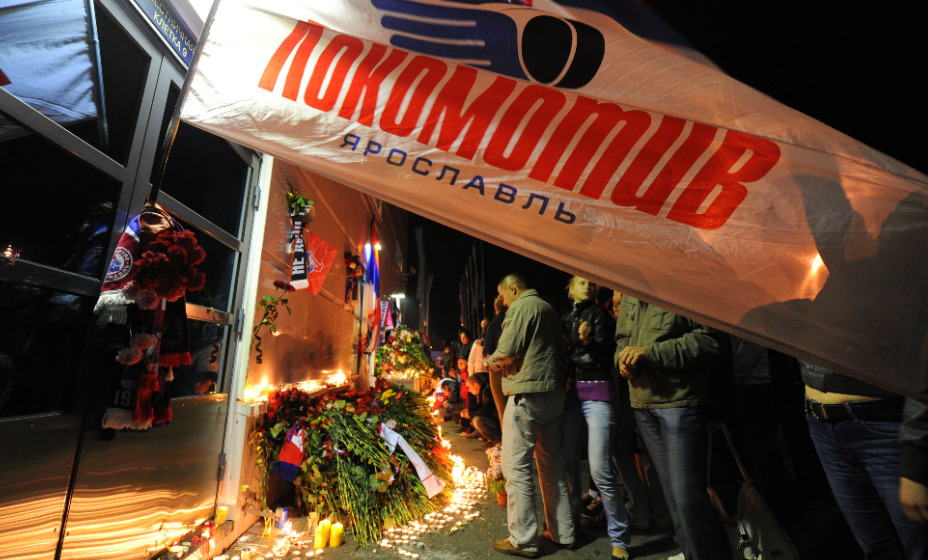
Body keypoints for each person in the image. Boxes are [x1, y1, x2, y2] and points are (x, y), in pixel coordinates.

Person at [615, 295, 731, 560]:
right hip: (643, 403)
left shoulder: (679, 285)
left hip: (679, 401)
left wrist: (650, 353)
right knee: (674, 501)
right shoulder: (630, 290)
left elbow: (712, 339)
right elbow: (621, 339)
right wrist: (620, 359)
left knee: (687, 499)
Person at [800, 358, 928, 558]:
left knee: (920, 546)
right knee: (877, 551)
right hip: (823, 423)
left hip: (888, 420)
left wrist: (916, 450)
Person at [486, 273, 574, 558]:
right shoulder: (547, 307)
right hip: (553, 393)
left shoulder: (522, 307)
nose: (503, 303)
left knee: (516, 466)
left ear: (512, 289)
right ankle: (563, 532)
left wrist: (489, 362)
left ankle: (523, 539)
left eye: (503, 297)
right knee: (552, 465)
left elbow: (507, 351)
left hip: (527, 393)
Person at [562, 277, 631, 559]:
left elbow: (600, 358)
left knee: (601, 470)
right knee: (567, 464)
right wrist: (576, 350)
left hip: (597, 394)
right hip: (571, 397)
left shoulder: (601, 316)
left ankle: (620, 539)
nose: (587, 286)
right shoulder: (567, 318)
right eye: (581, 282)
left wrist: (578, 349)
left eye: (591, 282)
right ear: (571, 289)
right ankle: (570, 523)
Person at [484, 295, 508, 422]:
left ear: (495, 308)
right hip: (515, 368)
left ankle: (505, 433)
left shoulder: (493, 325)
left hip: (497, 369)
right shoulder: (514, 322)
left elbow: (486, 351)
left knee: (502, 409)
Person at [460, 373, 501, 443]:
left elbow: (487, 411)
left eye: (469, 387)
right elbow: (479, 407)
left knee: (477, 420)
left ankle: (497, 441)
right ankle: (489, 438)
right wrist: (468, 411)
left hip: (497, 421)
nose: (469, 390)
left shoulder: (487, 391)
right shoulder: (481, 392)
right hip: (492, 419)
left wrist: (470, 414)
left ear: (476, 385)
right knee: (473, 418)